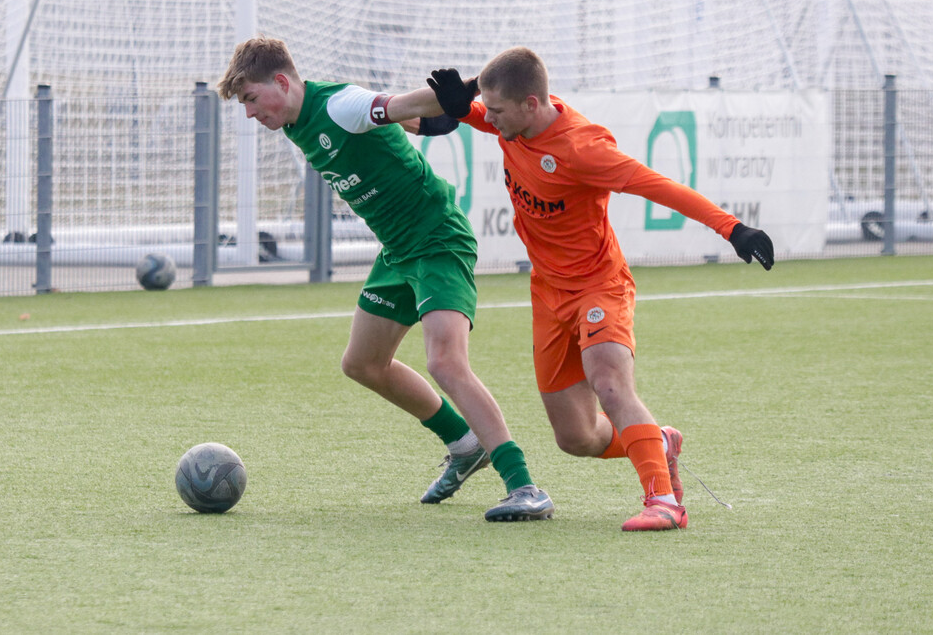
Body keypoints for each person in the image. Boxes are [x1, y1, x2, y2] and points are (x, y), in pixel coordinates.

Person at [386, 47, 774, 531]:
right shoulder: (512, 122)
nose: (492, 120)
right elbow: (460, 116)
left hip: (598, 284)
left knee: (608, 380)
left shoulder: (584, 148)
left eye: (499, 111)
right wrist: (435, 108)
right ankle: (656, 440)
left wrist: (732, 229)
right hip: (547, 293)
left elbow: (657, 186)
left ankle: (664, 501)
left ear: (531, 103)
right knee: (576, 436)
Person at [216, 37, 553, 522]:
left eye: (250, 98)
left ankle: (524, 485)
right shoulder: (295, 124)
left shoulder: (339, 104)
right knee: (363, 363)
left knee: (445, 362)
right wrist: (439, 114)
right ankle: (463, 444)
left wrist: (470, 88)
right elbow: (422, 121)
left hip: (437, 238)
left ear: (283, 82)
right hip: (397, 251)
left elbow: (407, 105)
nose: (249, 113)